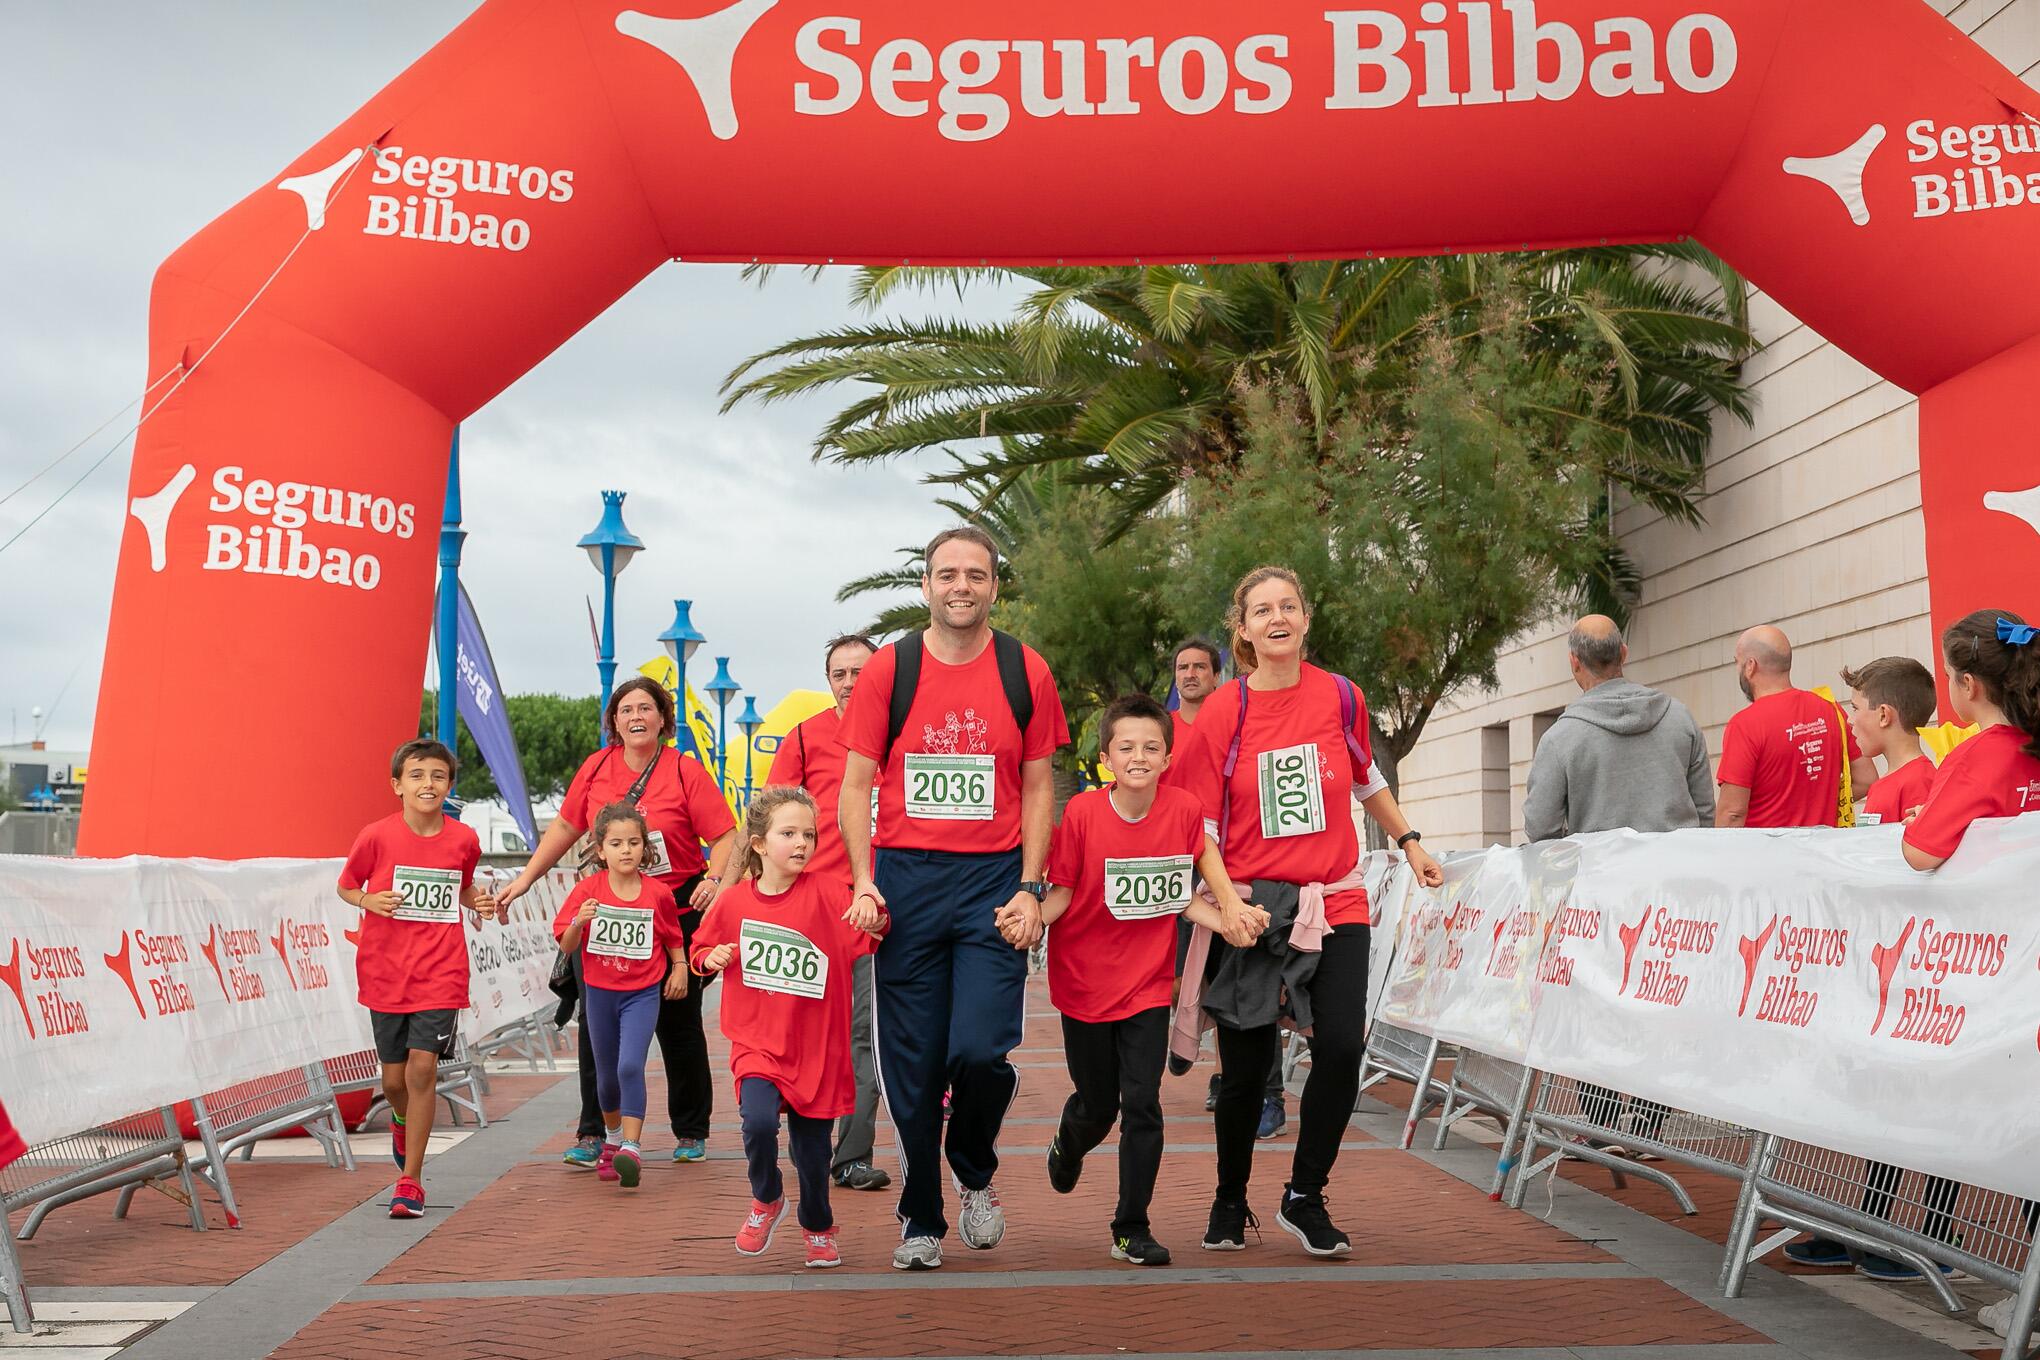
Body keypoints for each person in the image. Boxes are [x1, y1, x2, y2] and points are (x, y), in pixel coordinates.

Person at [1170, 565, 1444, 1257]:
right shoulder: (1223, 714)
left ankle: (1305, 1193)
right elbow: (1199, 825)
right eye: (1261, 610)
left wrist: (1409, 842)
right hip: (1252, 907)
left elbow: (1365, 777)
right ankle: (1231, 1197)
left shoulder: (1340, 698)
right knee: (1245, 1069)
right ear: (1245, 630)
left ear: (1306, 617)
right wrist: (1228, 903)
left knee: (1344, 1046)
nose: (1277, 617)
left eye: (1288, 605)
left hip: (1334, 896)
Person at [838, 526, 1070, 1272]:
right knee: (910, 1062)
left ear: (995, 586)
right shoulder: (890, 669)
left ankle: (974, 1167)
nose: (961, 586)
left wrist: (1032, 888)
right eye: (947, 574)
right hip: (906, 880)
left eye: (976, 574)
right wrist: (865, 878)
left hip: (991, 884)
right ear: (927, 585)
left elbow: (1040, 786)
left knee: (977, 1049)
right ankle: (921, 1215)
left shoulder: (1023, 669)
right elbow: (855, 785)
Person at [1011, 693, 1265, 1266]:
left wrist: (1232, 918)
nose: (1139, 756)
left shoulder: (1181, 811)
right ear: (1106, 759)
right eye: (1126, 747)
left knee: (1144, 1104)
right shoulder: (1080, 815)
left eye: (1151, 747)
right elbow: (1064, 895)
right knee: (1097, 1105)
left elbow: (1186, 892)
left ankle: (1131, 1226)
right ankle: (1067, 1141)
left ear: (1168, 757)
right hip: (1083, 985)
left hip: (1148, 988)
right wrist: (1029, 916)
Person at [497, 677, 738, 1166]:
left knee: (679, 1022)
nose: (636, 717)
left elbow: (727, 836)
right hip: (608, 911)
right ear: (614, 721)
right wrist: (524, 880)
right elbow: (565, 828)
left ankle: (690, 1130)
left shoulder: (685, 772)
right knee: (598, 1025)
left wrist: (716, 879)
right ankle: (594, 1133)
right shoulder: (595, 768)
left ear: (663, 719)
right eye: (626, 709)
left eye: (646, 708)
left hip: (673, 907)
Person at [691, 787, 887, 1269]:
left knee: (813, 1153)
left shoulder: (827, 892)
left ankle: (818, 1225)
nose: (801, 843)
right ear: (758, 844)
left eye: (809, 834)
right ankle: (767, 1197)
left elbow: (875, 930)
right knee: (757, 1124)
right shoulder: (734, 902)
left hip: (817, 1049)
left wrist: (873, 914)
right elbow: (701, 948)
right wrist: (707, 959)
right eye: (788, 833)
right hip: (757, 1042)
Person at [335, 738, 496, 1219]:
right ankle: (402, 1121)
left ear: (449, 785)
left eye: (438, 776)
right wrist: (368, 901)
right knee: (393, 1080)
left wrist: (478, 902)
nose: (428, 784)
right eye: (418, 775)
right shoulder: (376, 837)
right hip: (385, 971)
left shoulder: (464, 838)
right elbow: (346, 885)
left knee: (422, 1069)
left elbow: (461, 889)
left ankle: (411, 1181)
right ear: (397, 785)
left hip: (441, 970)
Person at [768, 632, 890, 1194]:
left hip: (889, 909)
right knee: (798, 1032)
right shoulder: (802, 737)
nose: (849, 682)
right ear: (829, 681)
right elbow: (767, 825)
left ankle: (852, 1154)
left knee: (862, 1037)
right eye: (840, 673)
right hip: (817, 915)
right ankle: (795, 1132)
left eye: (860, 671)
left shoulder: (907, 730)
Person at [551, 802, 687, 1189]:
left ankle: (632, 1146)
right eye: (616, 843)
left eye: (633, 842)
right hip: (600, 993)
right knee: (607, 1078)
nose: (626, 850)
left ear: (645, 847)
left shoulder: (658, 893)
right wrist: (580, 920)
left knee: (630, 1066)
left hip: (641, 993)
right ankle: (611, 1142)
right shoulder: (587, 890)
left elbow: (671, 936)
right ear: (600, 849)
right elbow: (566, 941)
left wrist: (679, 967)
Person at [1523, 615, 1714, 840]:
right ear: (1623, 653)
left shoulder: (1559, 738)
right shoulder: (1680, 718)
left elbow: (1540, 828)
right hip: (1674, 869)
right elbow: (1705, 812)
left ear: (1574, 662)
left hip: (1599, 871)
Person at [1901, 610, 2040, 872]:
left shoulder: (1974, 757)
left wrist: (1926, 819)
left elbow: (1919, 853)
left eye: (1946, 675)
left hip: (1998, 907)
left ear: (1968, 684)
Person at [1715, 625, 1875, 828]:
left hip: (1765, 855)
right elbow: (1867, 779)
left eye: (1738, 663)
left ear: (1750, 666)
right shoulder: (1832, 710)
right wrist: (1818, 806)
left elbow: (1732, 813)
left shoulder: (1744, 724)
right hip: (1823, 852)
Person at [1840, 657, 1939, 826]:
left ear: (1884, 715)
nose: (1850, 720)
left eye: (1855, 708)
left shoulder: (1919, 782)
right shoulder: (1888, 783)